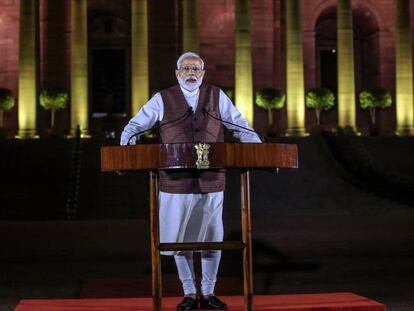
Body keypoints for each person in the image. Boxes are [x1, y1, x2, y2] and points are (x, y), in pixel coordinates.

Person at [120, 52, 261, 310]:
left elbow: (239, 124)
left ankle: (207, 293)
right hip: (175, 182)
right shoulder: (162, 98)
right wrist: (126, 146)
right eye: (185, 68)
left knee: (212, 237)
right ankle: (188, 293)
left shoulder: (216, 96)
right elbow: (135, 126)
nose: (190, 72)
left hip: (212, 180)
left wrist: (257, 148)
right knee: (179, 237)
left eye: (195, 68)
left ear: (203, 73)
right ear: (177, 73)